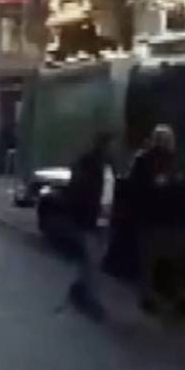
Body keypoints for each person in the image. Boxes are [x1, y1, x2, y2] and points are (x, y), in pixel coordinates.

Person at [128, 124, 185, 316]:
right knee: (170, 262)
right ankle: (172, 297)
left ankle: (159, 297)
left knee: (156, 262)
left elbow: (135, 189)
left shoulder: (147, 160)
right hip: (165, 219)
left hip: (160, 219)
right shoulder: (168, 160)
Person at [64, 131, 114, 318]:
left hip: (105, 218)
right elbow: (78, 188)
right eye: (110, 144)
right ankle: (90, 299)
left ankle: (80, 289)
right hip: (90, 218)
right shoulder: (89, 163)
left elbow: (110, 189)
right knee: (93, 260)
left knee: (95, 259)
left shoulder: (108, 164)